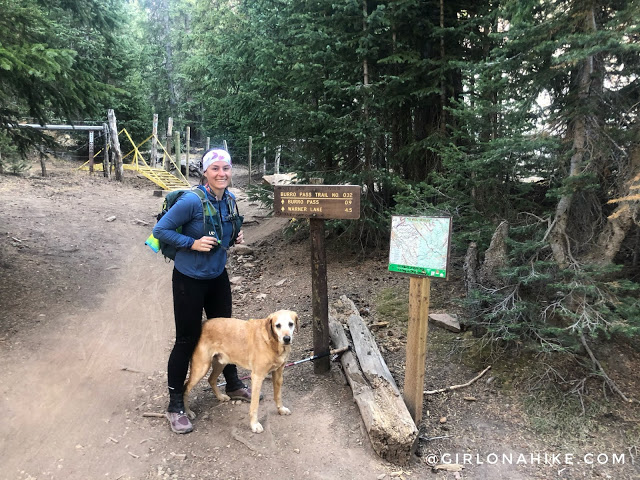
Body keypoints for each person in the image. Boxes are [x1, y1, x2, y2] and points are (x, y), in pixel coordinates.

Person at [153, 148, 254, 434]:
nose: (222, 174)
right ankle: (175, 405)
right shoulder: (191, 201)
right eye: (215, 169)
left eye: (226, 168)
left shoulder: (230, 200)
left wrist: (235, 236)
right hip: (189, 279)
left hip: (217, 277)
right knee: (187, 339)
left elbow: (224, 235)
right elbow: (161, 230)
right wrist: (192, 243)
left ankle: (232, 384)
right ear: (205, 172)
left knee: (227, 333)